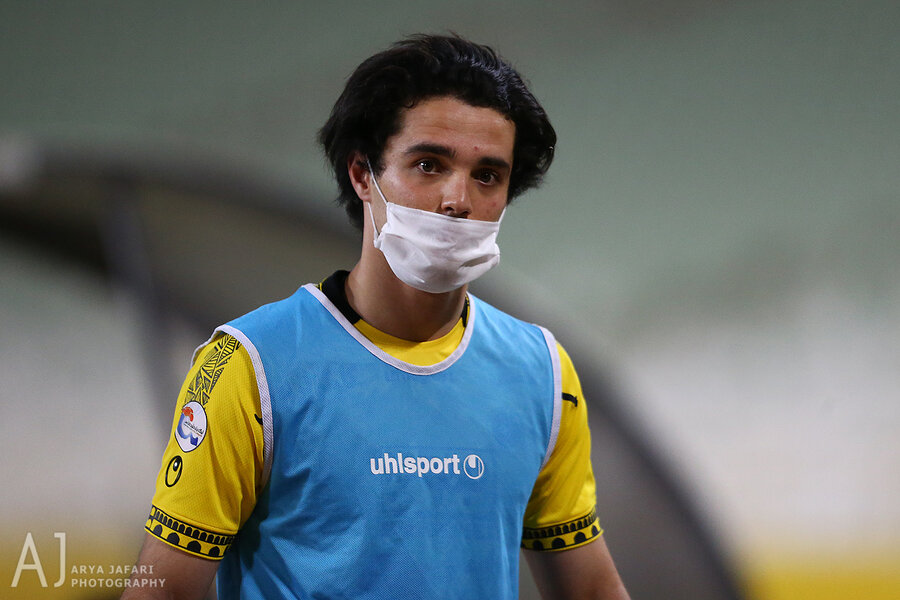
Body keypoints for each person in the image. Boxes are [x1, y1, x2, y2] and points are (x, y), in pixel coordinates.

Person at [123, 34, 630, 600]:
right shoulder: (251, 365)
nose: (458, 199)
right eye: (429, 164)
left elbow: (592, 592)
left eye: (488, 175)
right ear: (363, 174)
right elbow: (160, 592)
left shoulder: (542, 372)